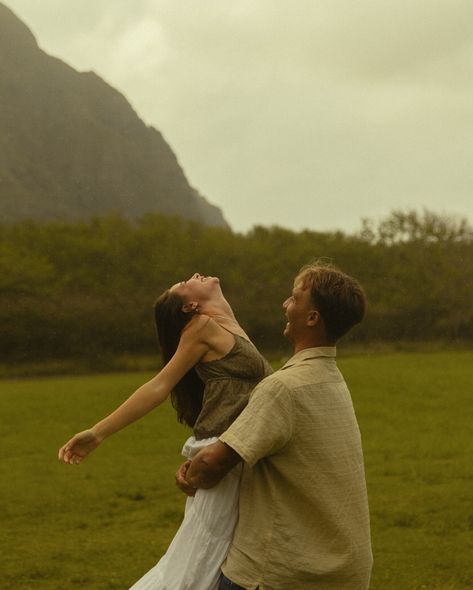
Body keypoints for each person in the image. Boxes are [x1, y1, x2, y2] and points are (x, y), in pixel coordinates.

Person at [58, 273, 272, 590]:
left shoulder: (229, 326)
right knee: (198, 560)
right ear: (191, 306)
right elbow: (159, 386)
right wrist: (98, 433)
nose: (193, 276)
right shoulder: (202, 329)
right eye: (185, 285)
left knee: (222, 555)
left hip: (243, 449)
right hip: (221, 450)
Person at [176, 263, 373, 590]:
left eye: (294, 299)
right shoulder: (334, 381)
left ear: (312, 318)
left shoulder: (283, 387)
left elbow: (214, 461)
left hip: (284, 573)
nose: (285, 304)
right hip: (347, 571)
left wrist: (188, 476)